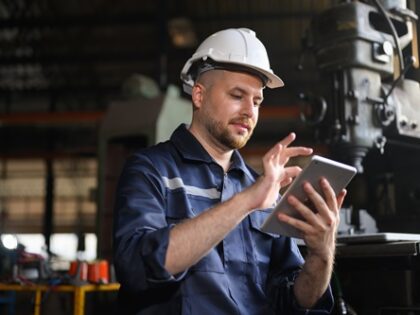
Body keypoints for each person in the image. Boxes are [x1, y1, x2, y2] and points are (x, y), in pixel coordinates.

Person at [113, 28, 347, 315]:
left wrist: (322, 252)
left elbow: (295, 301)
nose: (250, 111)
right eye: (238, 95)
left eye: (258, 101)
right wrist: (247, 201)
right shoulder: (151, 170)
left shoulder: (263, 192)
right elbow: (136, 267)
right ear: (199, 95)